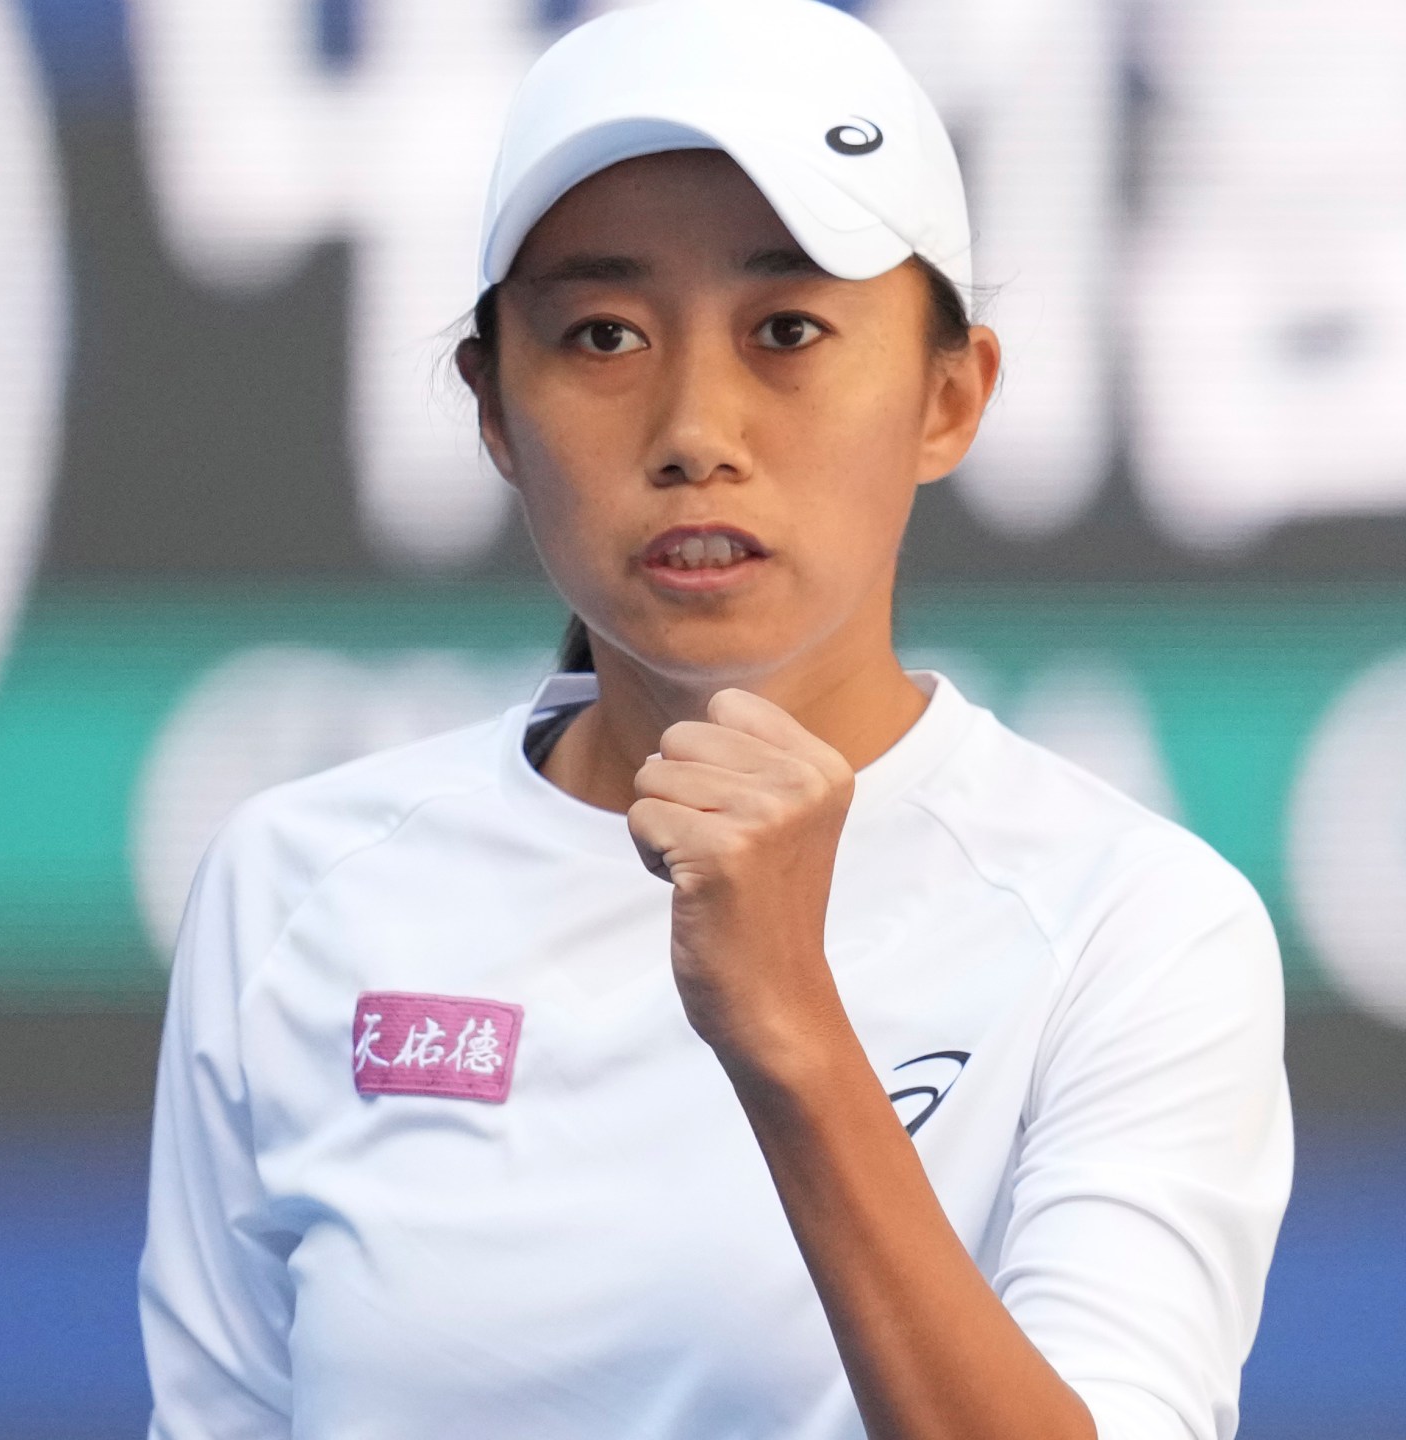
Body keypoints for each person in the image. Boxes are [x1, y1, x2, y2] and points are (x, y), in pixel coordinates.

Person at [137, 2, 1292, 1436]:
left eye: (789, 329)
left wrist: (790, 1031)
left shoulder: (1137, 926)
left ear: (951, 396)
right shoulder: (297, 886)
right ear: (493, 406)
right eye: (603, 332)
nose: (695, 426)